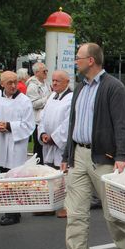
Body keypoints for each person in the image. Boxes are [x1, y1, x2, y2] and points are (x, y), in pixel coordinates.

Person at [56, 42, 125, 249]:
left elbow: (121, 124)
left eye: (78, 57)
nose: (75, 61)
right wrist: (66, 155)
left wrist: (122, 155)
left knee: (112, 212)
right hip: (78, 155)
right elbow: (73, 123)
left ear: (91, 60)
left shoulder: (114, 87)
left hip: (103, 157)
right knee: (76, 210)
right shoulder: (80, 88)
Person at [0, 70, 35, 226]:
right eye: (9, 82)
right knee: (3, 176)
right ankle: (7, 208)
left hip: (16, 144)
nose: (14, 85)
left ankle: (14, 212)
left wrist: (9, 126)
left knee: (14, 177)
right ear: (2, 84)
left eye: (15, 82)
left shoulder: (24, 101)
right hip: (1, 142)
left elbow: (29, 125)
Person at [37, 70, 72, 218]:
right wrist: (43, 134)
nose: (55, 83)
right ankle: (50, 205)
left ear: (67, 82)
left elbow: (68, 123)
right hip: (49, 143)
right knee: (50, 176)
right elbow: (42, 117)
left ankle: (66, 206)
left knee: (64, 176)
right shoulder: (51, 96)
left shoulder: (71, 98)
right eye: (53, 80)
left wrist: (55, 138)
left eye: (58, 81)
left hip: (59, 144)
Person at [26, 62, 51, 164]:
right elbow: (32, 104)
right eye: (44, 71)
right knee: (38, 147)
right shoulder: (32, 86)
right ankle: (37, 166)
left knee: (45, 145)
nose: (46, 72)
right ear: (36, 73)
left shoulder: (47, 84)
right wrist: (47, 99)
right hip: (37, 121)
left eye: (47, 70)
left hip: (46, 119)